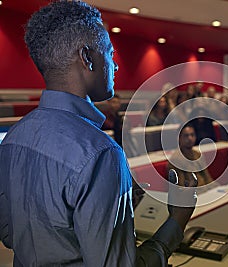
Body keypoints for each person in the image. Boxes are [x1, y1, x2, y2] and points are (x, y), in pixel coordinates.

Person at [0, 1, 197, 266]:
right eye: (109, 53)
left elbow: (10, 233)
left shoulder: (12, 138)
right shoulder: (101, 153)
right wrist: (177, 221)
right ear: (87, 57)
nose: (115, 66)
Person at [168, 123, 214, 187]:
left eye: (192, 135)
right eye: (186, 135)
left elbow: (208, 178)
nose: (190, 138)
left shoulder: (198, 154)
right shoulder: (175, 160)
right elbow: (181, 188)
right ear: (179, 138)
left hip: (206, 190)